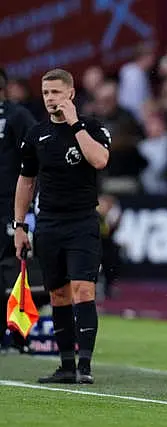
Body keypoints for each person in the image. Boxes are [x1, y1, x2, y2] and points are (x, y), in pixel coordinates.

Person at [14, 68, 110, 384]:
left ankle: (85, 365)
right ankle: (66, 365)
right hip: (49, 224)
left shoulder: (93, 128)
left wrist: (75, 124)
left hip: (82, 221)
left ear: (70, 93)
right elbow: (26, 182)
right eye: (45, 93)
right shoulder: (36, 135)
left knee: (83, 288)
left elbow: (99, 161)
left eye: (56, 92)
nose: (50, 98)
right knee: (58, 295)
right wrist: (20, 226)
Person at [0, 67, 37, 352]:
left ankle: (17, 334)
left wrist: (24, 212)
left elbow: (34, 158)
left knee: (13, 268)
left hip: (9, 207)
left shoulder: (17, 116)